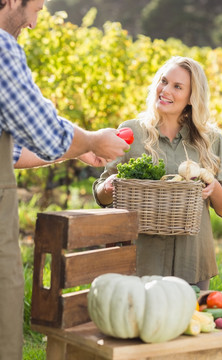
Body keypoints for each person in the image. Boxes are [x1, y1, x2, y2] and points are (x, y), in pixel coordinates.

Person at [0, 1, 129, 359]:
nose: (34, 23)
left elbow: (12, 153)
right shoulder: (1, 47)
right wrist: (89, 140)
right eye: (36, 9)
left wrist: (76, 150)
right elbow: (44, 132)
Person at [93, 56, 222, 292]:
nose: (166, 90)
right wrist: (107, 187)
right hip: (140, 261)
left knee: (190, 326)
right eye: (164, 81)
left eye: (177, 86)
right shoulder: (132, 132)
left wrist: (216, 189)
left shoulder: (210, 139)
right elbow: (101, 195)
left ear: (192, 97)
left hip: (192, 262)